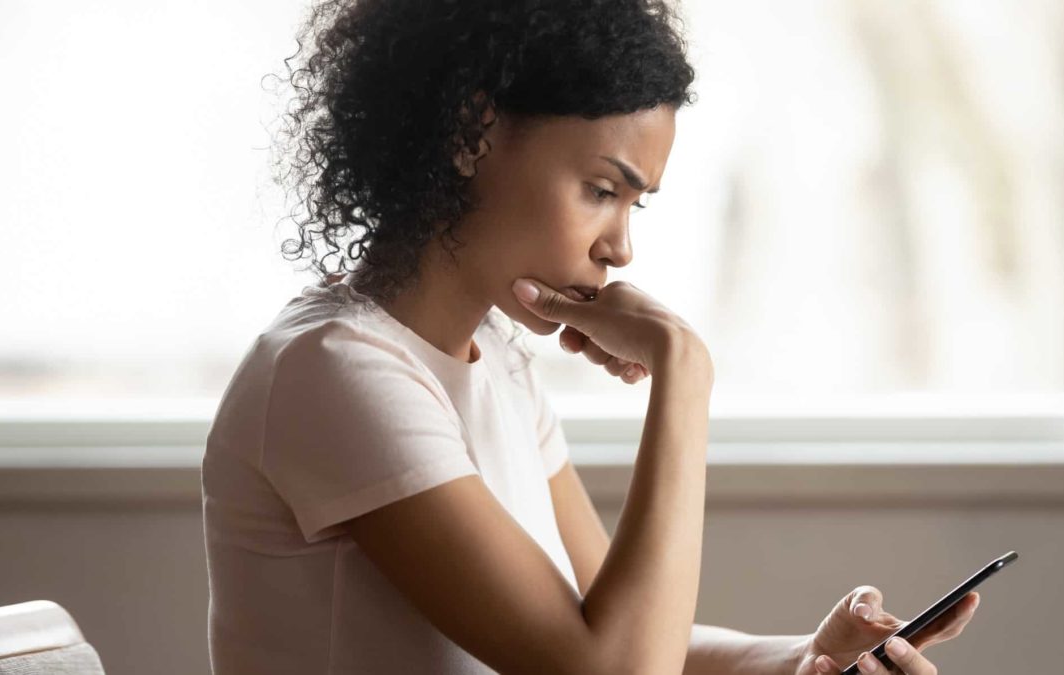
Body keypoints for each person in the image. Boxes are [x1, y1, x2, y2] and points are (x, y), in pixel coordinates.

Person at [201, 0, 980, 673]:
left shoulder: (497, 362)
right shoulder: (334, 372)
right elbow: (609, 667)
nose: (620, 248)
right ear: (473, 132)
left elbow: (614, 633)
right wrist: (684, 372)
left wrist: (806, 656)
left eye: (633, 205)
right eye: (602, 190)